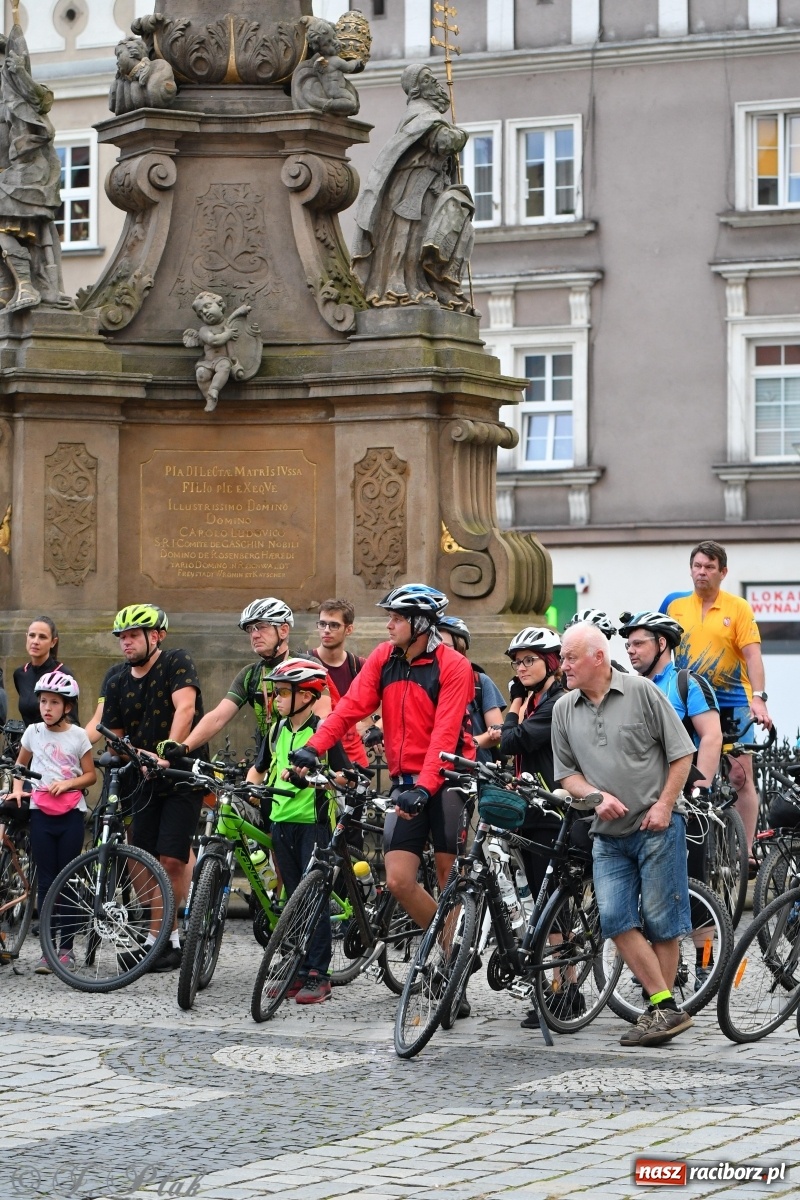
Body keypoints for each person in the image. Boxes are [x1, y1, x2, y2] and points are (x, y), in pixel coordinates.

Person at [289, 583, 476, 1012]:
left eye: (396, 618)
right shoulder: (383, 658)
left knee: (448, 880)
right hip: (408, 782)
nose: (388, 624)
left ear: (421, 624)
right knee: (398, 879)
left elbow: (444, 739)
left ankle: (453, 973)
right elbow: (350, 707)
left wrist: (426, 788)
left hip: (448, 779)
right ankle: (454, 950)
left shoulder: (453, 667)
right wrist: (313, 747)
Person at [551, 622, 697, 1047]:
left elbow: (682, 754)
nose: (563, 666)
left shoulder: (642, 692)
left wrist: (664, 805)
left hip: (657, 827)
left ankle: (658, 1015)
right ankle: (667, 1008)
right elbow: (566, 775)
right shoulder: (564, 708)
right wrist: (595, 796)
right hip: (607, 834)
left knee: (662, 925)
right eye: (562, 658)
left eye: (569, 657)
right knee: (615, 919)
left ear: (598, 657)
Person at [101, 604, 207, 971]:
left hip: (179, 776)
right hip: (140, 779)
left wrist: (166, 752)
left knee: (171, 859)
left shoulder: (177, 661)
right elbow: (112, 734)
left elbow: (185, 709)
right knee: (140, 858)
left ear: (156, 636)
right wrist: (114, 751)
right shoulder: (116, 679)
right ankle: (155, 937)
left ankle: (168, 940)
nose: (125, 643)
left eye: (132, 636)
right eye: (122, 637)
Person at [662, 540, 772, 862]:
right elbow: (656, 646)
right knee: (686, 771)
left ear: (722, 572)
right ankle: (689, 841)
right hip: (689, 700)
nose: (702, 572)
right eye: (697, 566)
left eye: (709, 567)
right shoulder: (673, 604)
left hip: (731, 700)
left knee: (740, 776)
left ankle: (746, 851)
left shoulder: (737, 608)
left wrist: (759, 698)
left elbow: (753, 656)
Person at [495, 626, 580, 1028]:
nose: (521, 667)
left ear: (549, 664)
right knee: (544, 900)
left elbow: (511, 741)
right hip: (533, 811)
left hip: (553, 815)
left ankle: (566, 992)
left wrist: (512, 701)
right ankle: (561, 988)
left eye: (529, 660)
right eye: (517, 662)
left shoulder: (555, 702)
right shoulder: (538, 700)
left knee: (552, 905)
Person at [351, 64, 474, 312]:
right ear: (417, 90)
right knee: (405, 237)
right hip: (411, 189)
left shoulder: (429, 115)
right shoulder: (421, 115)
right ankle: (399, 289)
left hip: (428, 185)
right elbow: (444, 142)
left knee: (419, 238)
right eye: (429, 80)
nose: (437, 83)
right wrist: (460, 135)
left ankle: (420, 285)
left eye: (433, 77)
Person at [263, 658, 350, 1004]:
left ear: (307, 695)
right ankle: (298, 969)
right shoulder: (276, 730)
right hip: (280, 822)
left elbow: (347, 775)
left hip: (312, 825)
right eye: (278, 691)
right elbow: (260, 767)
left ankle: (319, 974)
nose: (277, 699)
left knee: (314, 897)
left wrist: (315, 777)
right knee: (292, 900)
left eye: (284, 692)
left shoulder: (323, 732)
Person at [163, 598, 328, 770]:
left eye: (262, 627)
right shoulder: (250, 674)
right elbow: (218, 717)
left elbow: (323, 716)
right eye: (250, 629)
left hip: (304, 762)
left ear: (284, 630)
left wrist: (309, 753)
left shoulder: (308, 666)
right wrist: (184, 747)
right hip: (267, 763)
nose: (254, 635)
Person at [5, 671, 95, 973]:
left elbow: (90, 775)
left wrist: (68, 784)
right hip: (40, 813)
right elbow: (20, 764)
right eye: (43, 701)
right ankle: (47, 950)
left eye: (54, 702)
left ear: (67, 707)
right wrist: (18, 791)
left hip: (70, 814)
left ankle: (66, 949)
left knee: (66, 882)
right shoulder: (32, 732)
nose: (46, 707)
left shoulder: (79, 736)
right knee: (45, 881)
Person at [309, 599, 368, 770]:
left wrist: (371, 724)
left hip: (353, 760)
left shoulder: (359, 665)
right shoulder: (304, 663)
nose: (326, 630)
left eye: (334, 625)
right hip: (314, 755)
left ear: (348, 629)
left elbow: (388, 699)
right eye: (322, 624)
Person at [437, 615, 505, 764]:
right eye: (435, 647)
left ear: (459, 648)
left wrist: (468, 744)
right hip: (433, 768)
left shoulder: (480, 682)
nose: (439, 652)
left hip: (475, 770)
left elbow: (498, 732)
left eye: (446, 647)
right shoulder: (425, 683)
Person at [13, 616, 78, 727]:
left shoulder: (62, 674)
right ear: (26, 637)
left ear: (53, 642)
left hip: (55, 742)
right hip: (27, 741)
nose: (35, 641)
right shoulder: (20, 673)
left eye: (42, 637)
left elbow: (73, 722)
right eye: (32, 635)